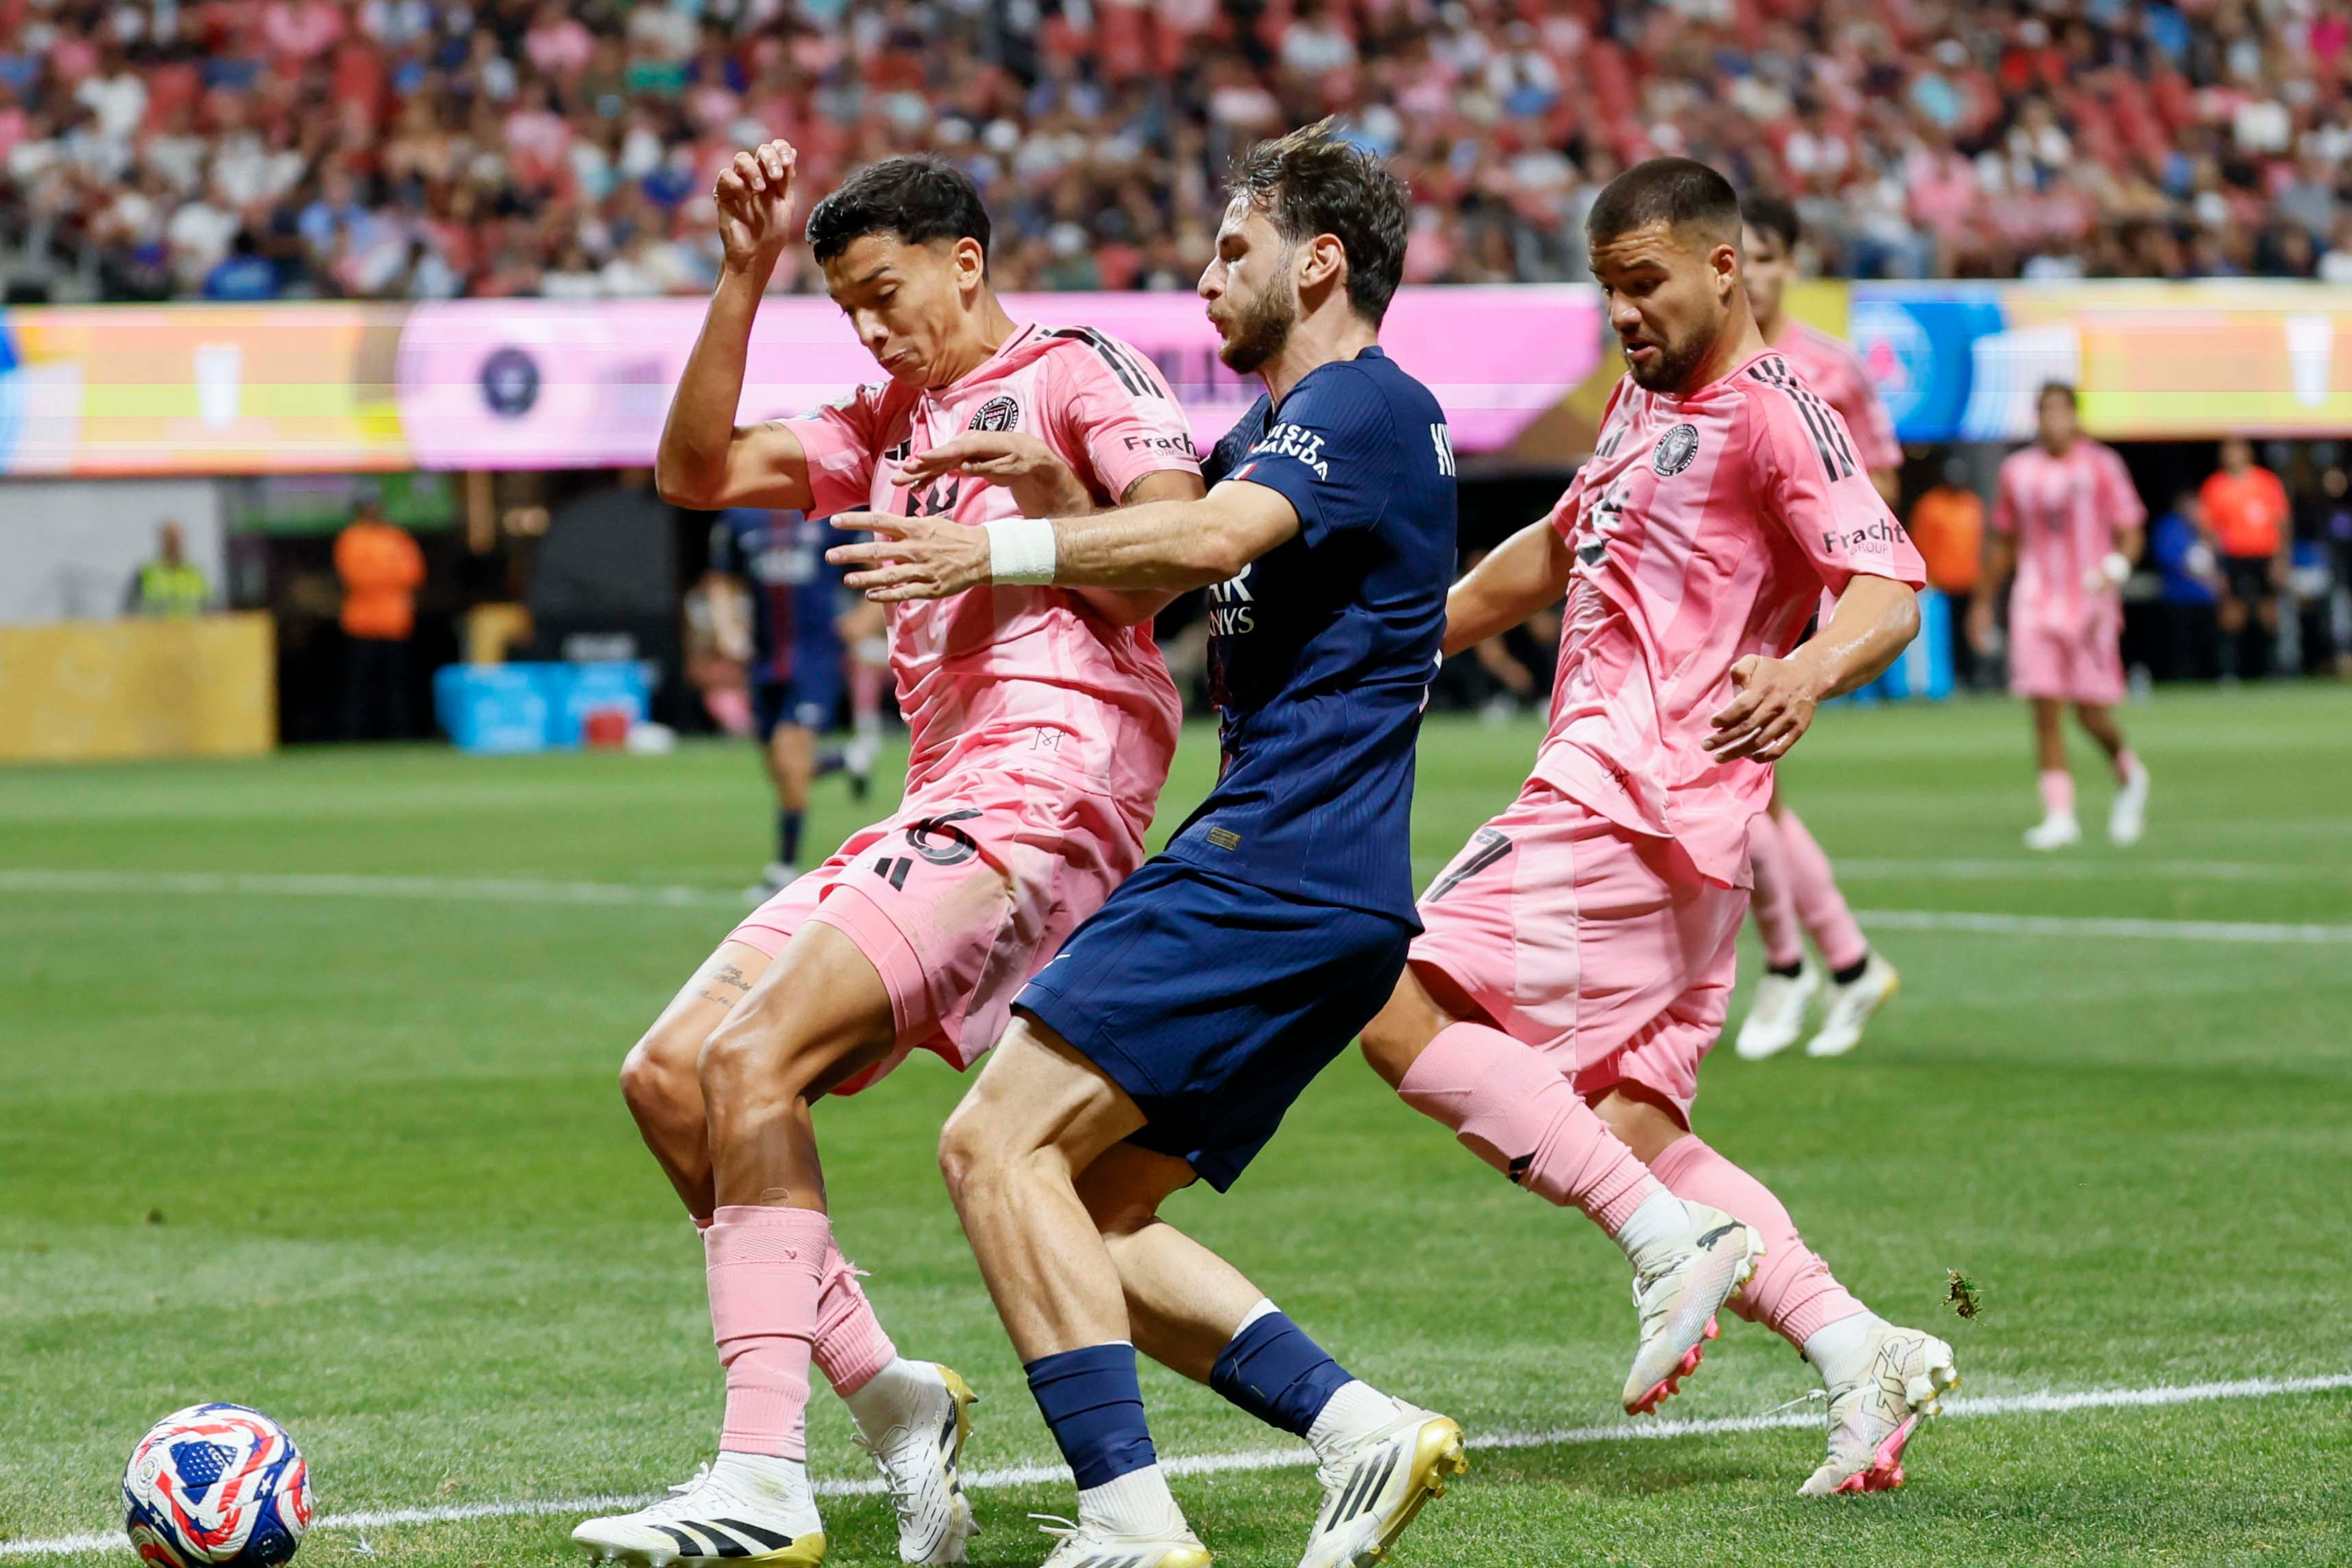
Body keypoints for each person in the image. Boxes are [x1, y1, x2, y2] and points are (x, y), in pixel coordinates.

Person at [829, 120, 1464, 1568]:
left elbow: (1203, 542)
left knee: (992, 1144)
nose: (1200, 277)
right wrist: (1054, 500)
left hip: (1269, 858)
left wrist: (988, 547)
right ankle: (1357, 1426)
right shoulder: (1294, 433)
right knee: (1092, 1204)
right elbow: (1151, 579)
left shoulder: (1355, 404)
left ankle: (1127, 1511)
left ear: (1318, 262)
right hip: (1337, 894)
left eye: (1231, 250)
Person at [573, 145, 1206, 1567]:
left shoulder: (1074, 368)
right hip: (942, 796)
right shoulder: (884, 421)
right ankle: (887, 1390)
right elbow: (693, 469)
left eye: (884, 293)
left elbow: (1179, 547)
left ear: (963, 261)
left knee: (752, 1059)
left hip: (1048, 783)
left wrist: (1033, 514)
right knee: (671, 1073)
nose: (868, 329)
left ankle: (762, 1475)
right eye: (843, 306)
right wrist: (740, 275)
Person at [1354, 157, 1956, 1498]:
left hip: (1630, 797)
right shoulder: (1640, 399)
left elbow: (1890, 584)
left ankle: (1665, 1245)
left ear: (1725, 268)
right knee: (1628, 1129)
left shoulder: (1774, 414)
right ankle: (1859, 1350)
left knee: (1383, 989)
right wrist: (1402, 643)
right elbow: (1556, 547)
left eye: (1647, 283)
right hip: (1685, 836)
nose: (1625, 311)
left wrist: (1805, 670)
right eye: (1609, 287)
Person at [1728, 194, 1903, 1061]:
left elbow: (1879, 502)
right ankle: (1837, 963)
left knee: (1745, 786)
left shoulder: (1830, 369)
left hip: (1800, 615)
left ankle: (1800, 964)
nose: (1750, 273)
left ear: (1789, 264)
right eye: (1736, 257)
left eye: (1763, 256)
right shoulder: (1706, 370)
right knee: (1750, 792)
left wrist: (1836, 624)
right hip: (1729, 609)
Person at [1975, 382, 2150, 850]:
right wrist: (1982, 603)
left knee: (2091, 712)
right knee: (2045, 708)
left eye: (2062, 411)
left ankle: (2130, 772)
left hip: (2090, 605)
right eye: (2046, 411)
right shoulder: (2018, 471)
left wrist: (2117, 565)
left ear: (2075, 416)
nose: (2054, 420)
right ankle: (2059, 814)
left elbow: (2131, 530)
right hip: (2035, 603)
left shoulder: (2102, 466)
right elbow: (2006, 543)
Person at [706, 506, 878, 899]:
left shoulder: (829, 512)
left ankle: (784, 868)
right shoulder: (741, 519)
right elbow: (720, 580)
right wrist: (728, 628)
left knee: (789, 760)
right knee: (780, 769)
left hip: (815, 659)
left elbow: (880, 560)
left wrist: (864, 620)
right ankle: (848, 760)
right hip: (764, 660)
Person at [2198, 435, 2292, 681]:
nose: (2233, 455)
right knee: (2232, 613)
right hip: (2234, 556)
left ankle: (2272, 671)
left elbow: (2282, 523)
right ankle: (2230, 672)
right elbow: (2208, 530)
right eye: (2228, 450)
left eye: (2238, 449)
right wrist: (2215, 566)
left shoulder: (2267, 483)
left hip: (2264, 554)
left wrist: (2281, 559)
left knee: (2268, 612)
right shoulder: (2215, 486)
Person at [334, 497, 425, 741]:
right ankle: (354, 736)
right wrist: (388, 576)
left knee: (397, 683)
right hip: (362, 623)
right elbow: (356, 576)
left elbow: (413, 573)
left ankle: (400, 734)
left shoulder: (396, 537)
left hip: (395, 622)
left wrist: (382, 577)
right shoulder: (351, 539)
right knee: (359, 684)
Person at [1907, 458, 1986, 685]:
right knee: (1943, 636)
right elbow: (1921, 541)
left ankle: (1971, 678)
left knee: (1969, 632)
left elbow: (1980, 543)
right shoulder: (1931, 505)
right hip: (1940, 583)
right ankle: (1946, 680)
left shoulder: (1972, 504)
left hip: (1969, 580)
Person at [123, 519, 211, 617]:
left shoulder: (196, 573)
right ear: (162, 540)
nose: (174, 543)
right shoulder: (146, 573)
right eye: (169, 538)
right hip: (155, 631)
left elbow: (210, 610)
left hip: (191, 631)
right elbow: (129, 611)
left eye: (176, 538)